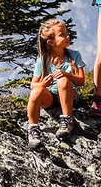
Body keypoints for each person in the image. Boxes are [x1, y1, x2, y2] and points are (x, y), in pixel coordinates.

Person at [28, 18, 85, 146]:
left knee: (63, 81)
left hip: (69, 96)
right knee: (37, 91)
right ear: (51, 42)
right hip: (50, 98)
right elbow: (33, 85)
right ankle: (33, 129)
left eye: (66, 32)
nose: (67, 36)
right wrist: (43, 85)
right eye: (62, 34)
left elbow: (81, 81)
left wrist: (66, 75)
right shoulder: (43, 60)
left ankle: (67, 120)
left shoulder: (75, 55)